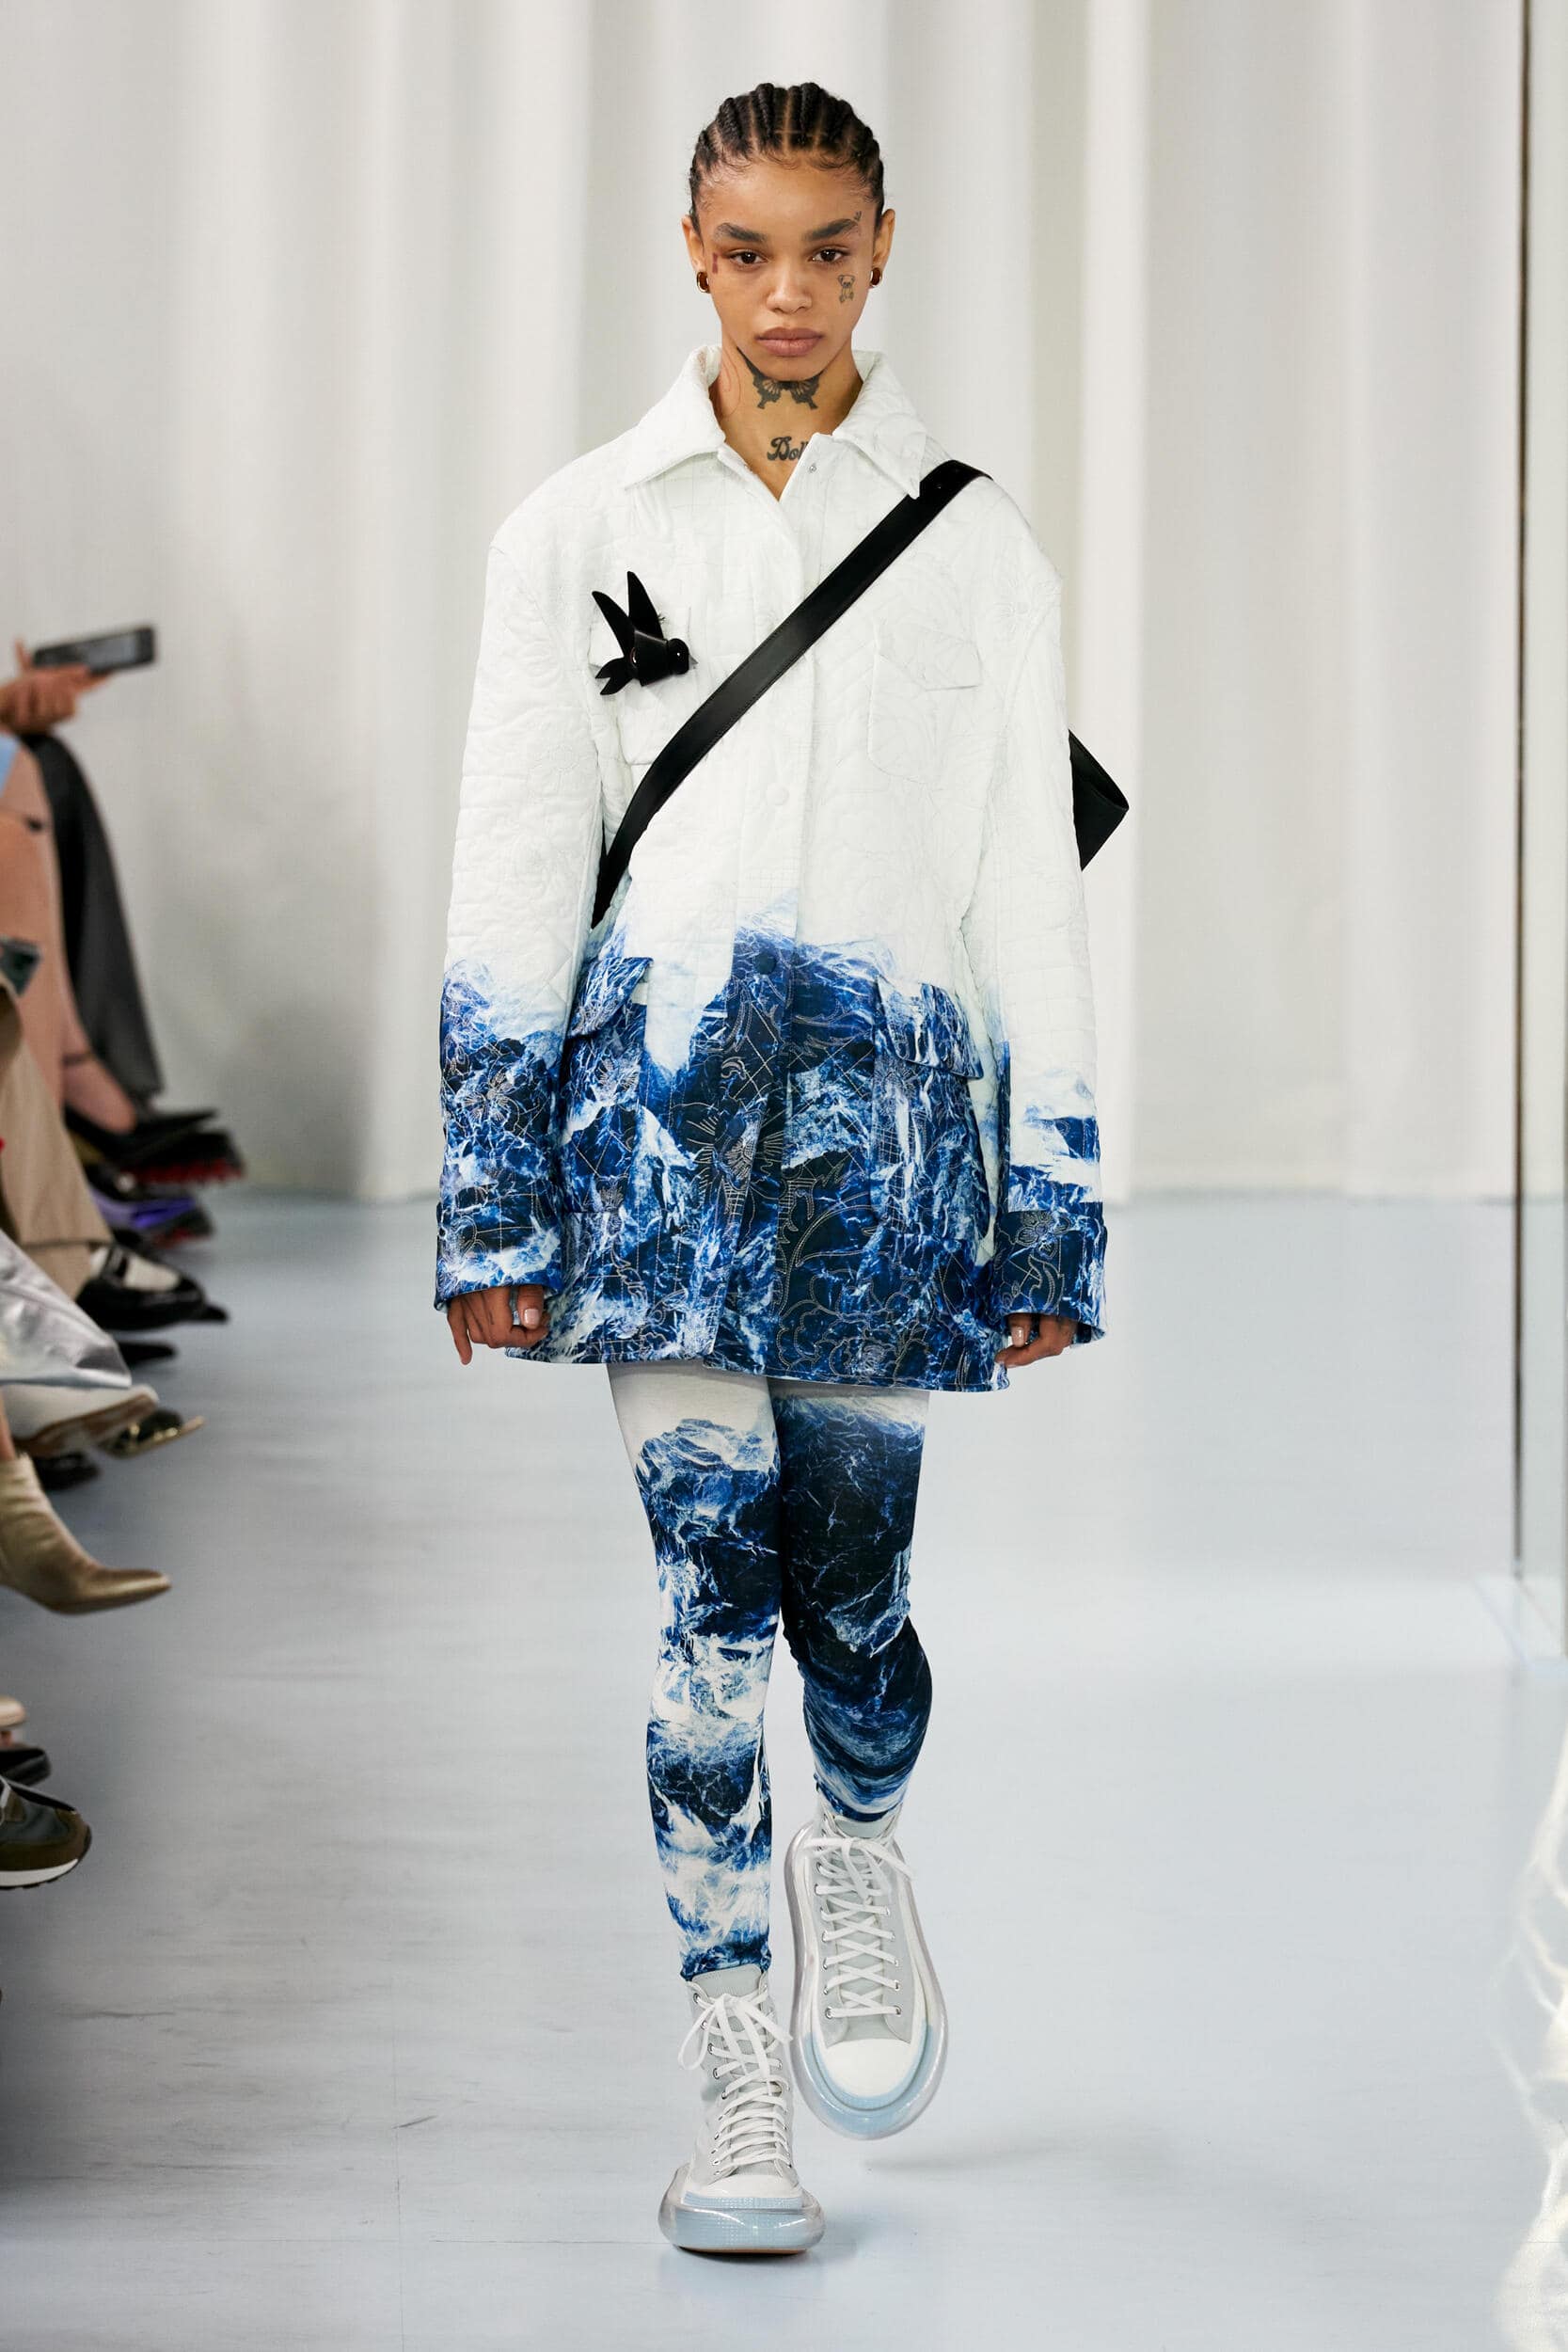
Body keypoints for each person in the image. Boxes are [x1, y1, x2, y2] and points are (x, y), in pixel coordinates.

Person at [435, 81, 1106, 2256]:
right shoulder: (572, 528)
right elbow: (517, 869)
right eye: (749, 249)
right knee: (706, 1621)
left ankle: (862, 1839)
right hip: (657, 1158)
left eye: (829, 248)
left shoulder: (978, 544)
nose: (790, 292)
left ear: (883, 249)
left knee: (857, 1613)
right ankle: (734, 2064)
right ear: (692, 252)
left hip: (885, 1165)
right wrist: (491, 1190)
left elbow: (1027, 896)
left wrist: (1052, 1196)